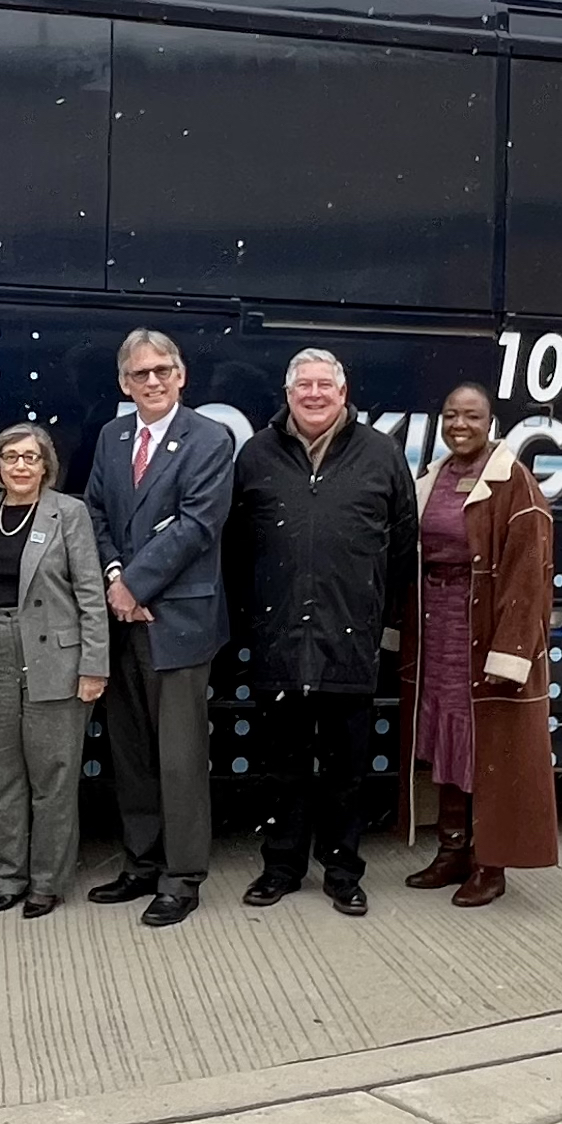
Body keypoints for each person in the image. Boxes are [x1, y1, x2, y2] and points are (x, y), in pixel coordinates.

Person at [226, 348, 415, 917]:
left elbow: (403, 548)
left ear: (342, 391)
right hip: (278, 640)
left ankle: (342, 872)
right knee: (281, 768)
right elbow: (236, 550)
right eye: (302, 385)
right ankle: (281, 867)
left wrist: (376, 613)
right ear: (287, 394)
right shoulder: (256, 456)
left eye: (323, 385)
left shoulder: (382, 454)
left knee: (345, 772)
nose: (313, 394)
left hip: (349, 643)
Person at [78, 330, 236, 928]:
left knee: (180, 756)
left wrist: (134, 586)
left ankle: (182, 875)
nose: (152, 381)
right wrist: (116, 576)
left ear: (181, 375)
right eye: (140, 373)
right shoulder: (112, 438)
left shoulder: (208, 439)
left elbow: (197, 524)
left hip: (180, 620)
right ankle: (141, 864)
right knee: (133, 753)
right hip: (122, 621)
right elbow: (94, 511)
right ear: (124, 383)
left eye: (162, 370)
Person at [402, 383, 561, 906]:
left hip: (485, 633)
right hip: (439, 631)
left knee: (487, 748)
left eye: (471, 416)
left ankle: (489, 864)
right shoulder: (433, 478)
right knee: (447, 740)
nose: (458, 425)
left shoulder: (515, 485)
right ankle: (452, 851)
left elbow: (528, 576)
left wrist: (512, 652)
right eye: (450, 415)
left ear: (490, 423)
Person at [0, 422, 110, 917]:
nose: (20, 466)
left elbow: (90, 592)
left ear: (47, 466)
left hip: (56, 658)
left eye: (30, 457)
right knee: (0, 775)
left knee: (53, 777)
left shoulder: (70, 513)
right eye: (10, 457)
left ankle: (47, 881)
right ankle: (7, 876)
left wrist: (94, 665)